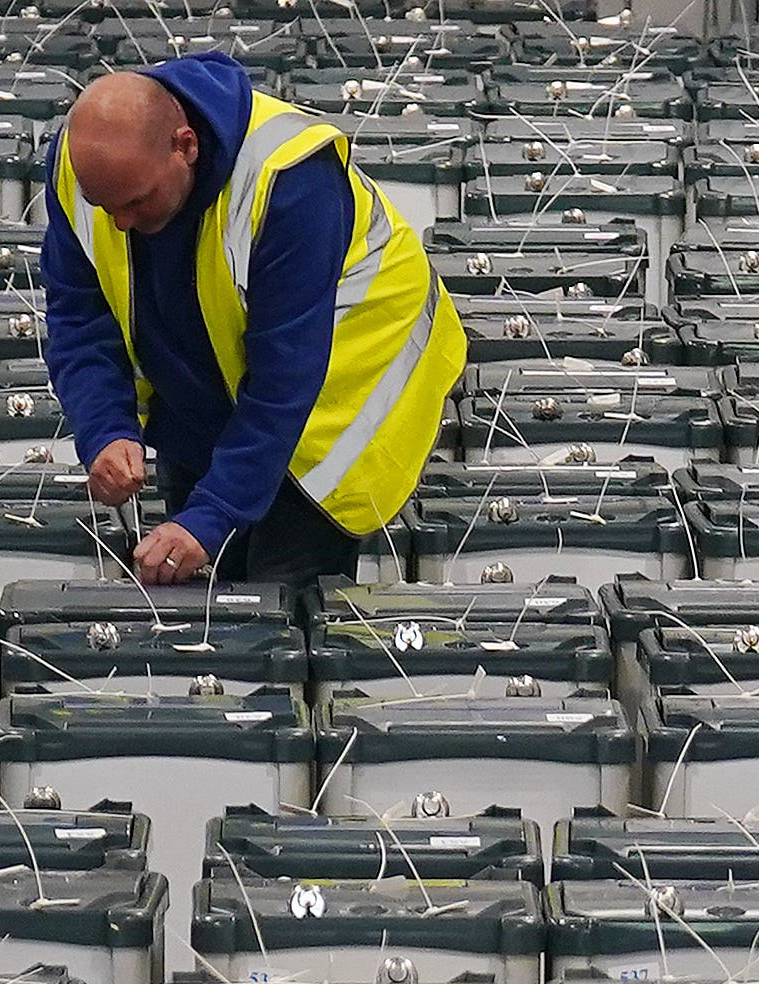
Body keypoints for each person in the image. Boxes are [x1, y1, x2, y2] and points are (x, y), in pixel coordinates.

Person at [39, 54, 470, 596]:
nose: (122, 223)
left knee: (276, 608)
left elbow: (284, 379)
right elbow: (80, 315)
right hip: (205, 392)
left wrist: (212, 514)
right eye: (106, 207)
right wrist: (106, 429)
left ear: (185, 146)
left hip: (333, 403)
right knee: (203, 595)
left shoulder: (292, 181)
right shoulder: (85, 169)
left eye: (137, 201)